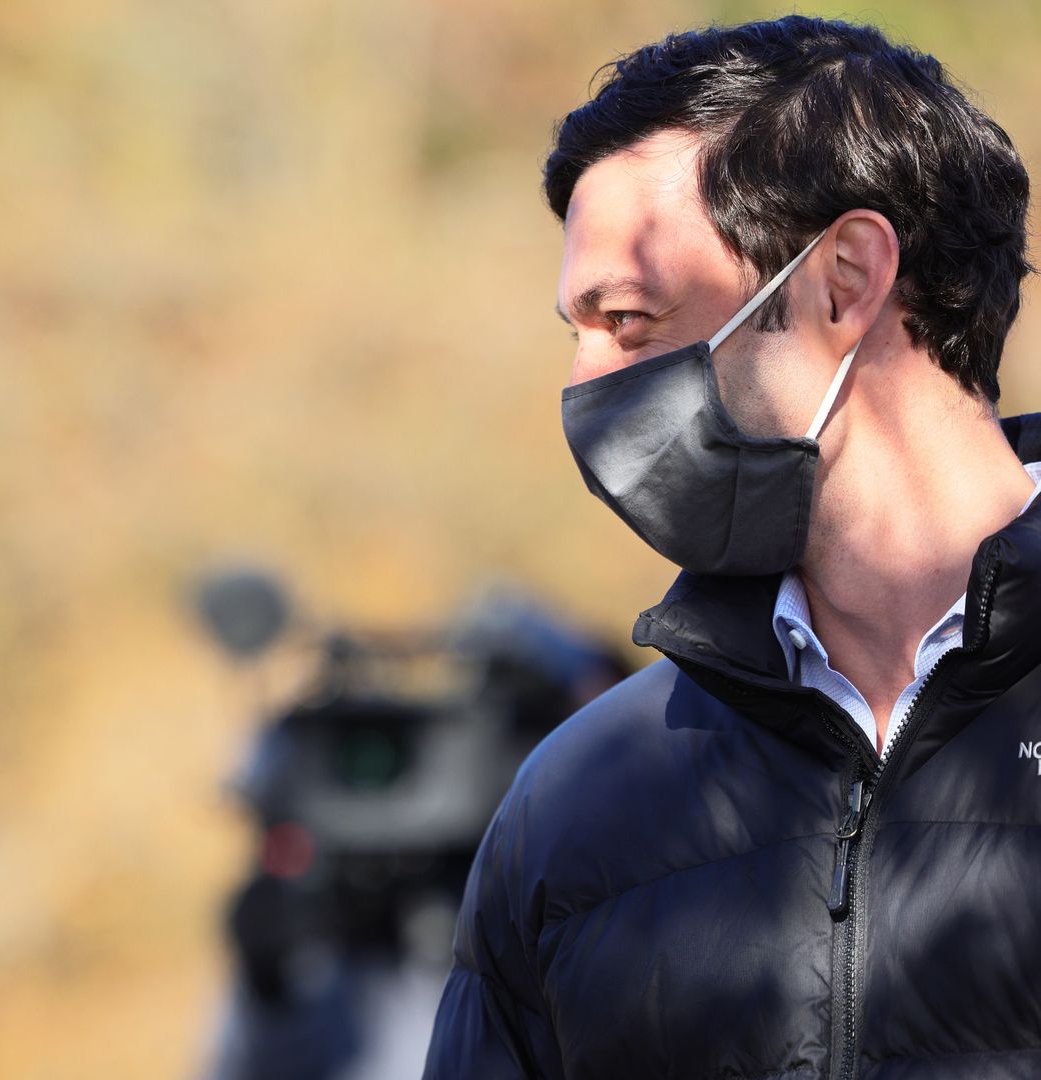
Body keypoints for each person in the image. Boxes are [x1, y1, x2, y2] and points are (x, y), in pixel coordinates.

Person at [425, 17, 1041, 1078]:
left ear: (844, 281)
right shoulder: (574, 808)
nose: (585, 385)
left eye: (628, 317)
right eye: (577, 328)